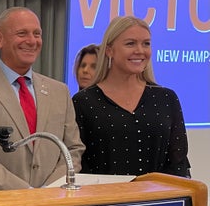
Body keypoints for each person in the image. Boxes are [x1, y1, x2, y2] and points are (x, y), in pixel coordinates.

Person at [0, 7, 85, 191]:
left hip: (52, 204)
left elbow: (73, 150)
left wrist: (49, 191)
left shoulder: (60, 92)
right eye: (22, 33)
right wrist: (28, 195)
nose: (31, 41)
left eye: (37, 34)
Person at [72, 16, 191, 177]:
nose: (140, 50)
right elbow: (79, 163)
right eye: (130, 43)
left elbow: (179, 164)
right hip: (105, 199)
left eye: (146, 44)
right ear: (109, 50)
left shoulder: (167, 98)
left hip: (161, 199)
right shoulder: (83, 102)